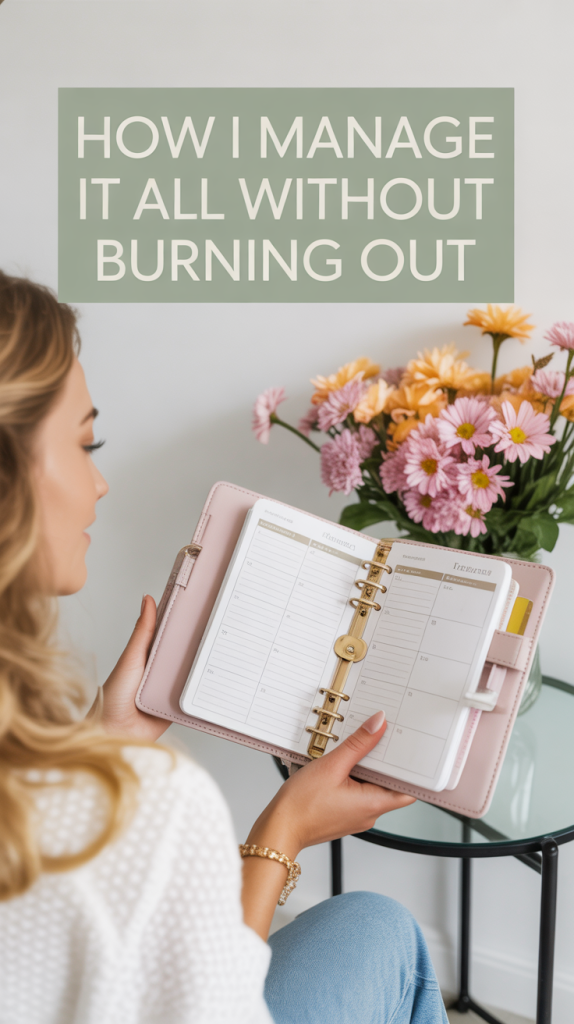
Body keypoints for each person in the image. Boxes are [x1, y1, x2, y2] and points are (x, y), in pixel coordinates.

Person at [0, 270, 448, 1024]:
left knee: (374, 927)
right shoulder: (159, 805)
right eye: (85, 443)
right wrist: (280, 836)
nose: (101, 483)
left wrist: (104, 738)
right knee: (387, 934)